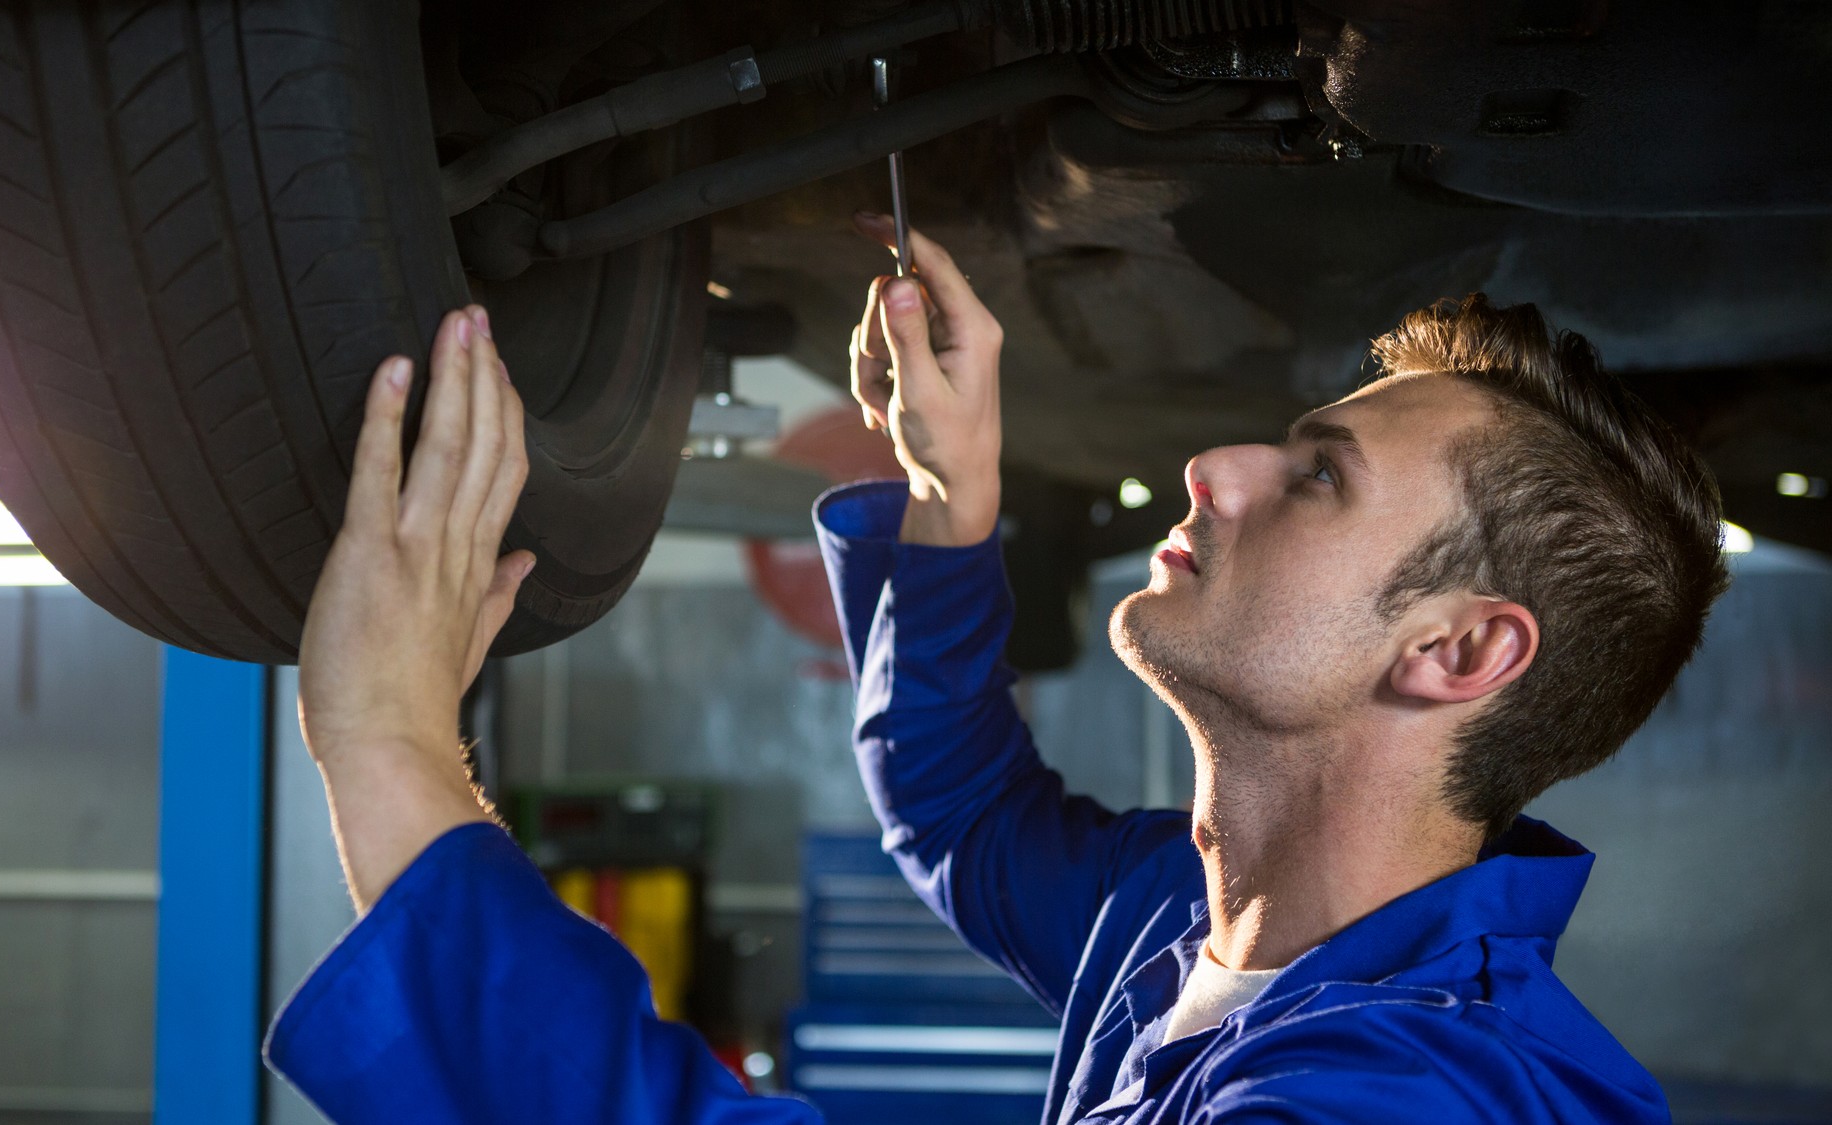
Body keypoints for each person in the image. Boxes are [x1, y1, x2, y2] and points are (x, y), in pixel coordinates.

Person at [264, 215, 1728, 1123]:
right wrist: (948, 513)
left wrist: (393, 751)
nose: (1217, 466)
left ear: (1457, 650)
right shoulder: (1207, 925)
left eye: (1319, 479)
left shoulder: (1405, 1100)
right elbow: (966, 813)